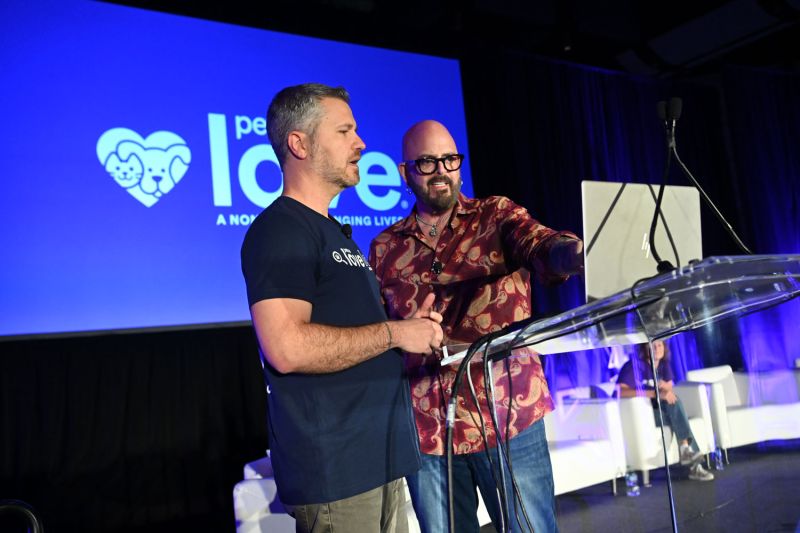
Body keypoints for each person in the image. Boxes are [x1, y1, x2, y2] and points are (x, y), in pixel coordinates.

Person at [240, 84, 445, 533]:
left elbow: (354, 340)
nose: (361, 143)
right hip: (337, 475)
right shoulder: (281, 230)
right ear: (299, 143)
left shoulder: (333, 231)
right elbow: (287, 346)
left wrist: (414, 331)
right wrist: (396, 333)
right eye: (345, 130)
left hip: (378, 461)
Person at [369, 120, 584, 533]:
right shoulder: (385, 247)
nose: (441, 171)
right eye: (427, 162)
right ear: (404, 172)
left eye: (449, 159)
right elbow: (381, 332)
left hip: (507, 416)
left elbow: (540, 244)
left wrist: (573, 254)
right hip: (430, 431)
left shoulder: (495, 215)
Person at [617, 340, 715, 482]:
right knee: (677, 411)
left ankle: (686, 451)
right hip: (644, 416)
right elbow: (621, 392)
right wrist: (655, 393)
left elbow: (669, 387)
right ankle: (692, 463)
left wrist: (665, 388)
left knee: (675, 405)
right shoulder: (634, 366)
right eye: (653, 346)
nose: (657, 349)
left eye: (660, 345)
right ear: (644, 349)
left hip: (662, 412)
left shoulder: (664, 364)